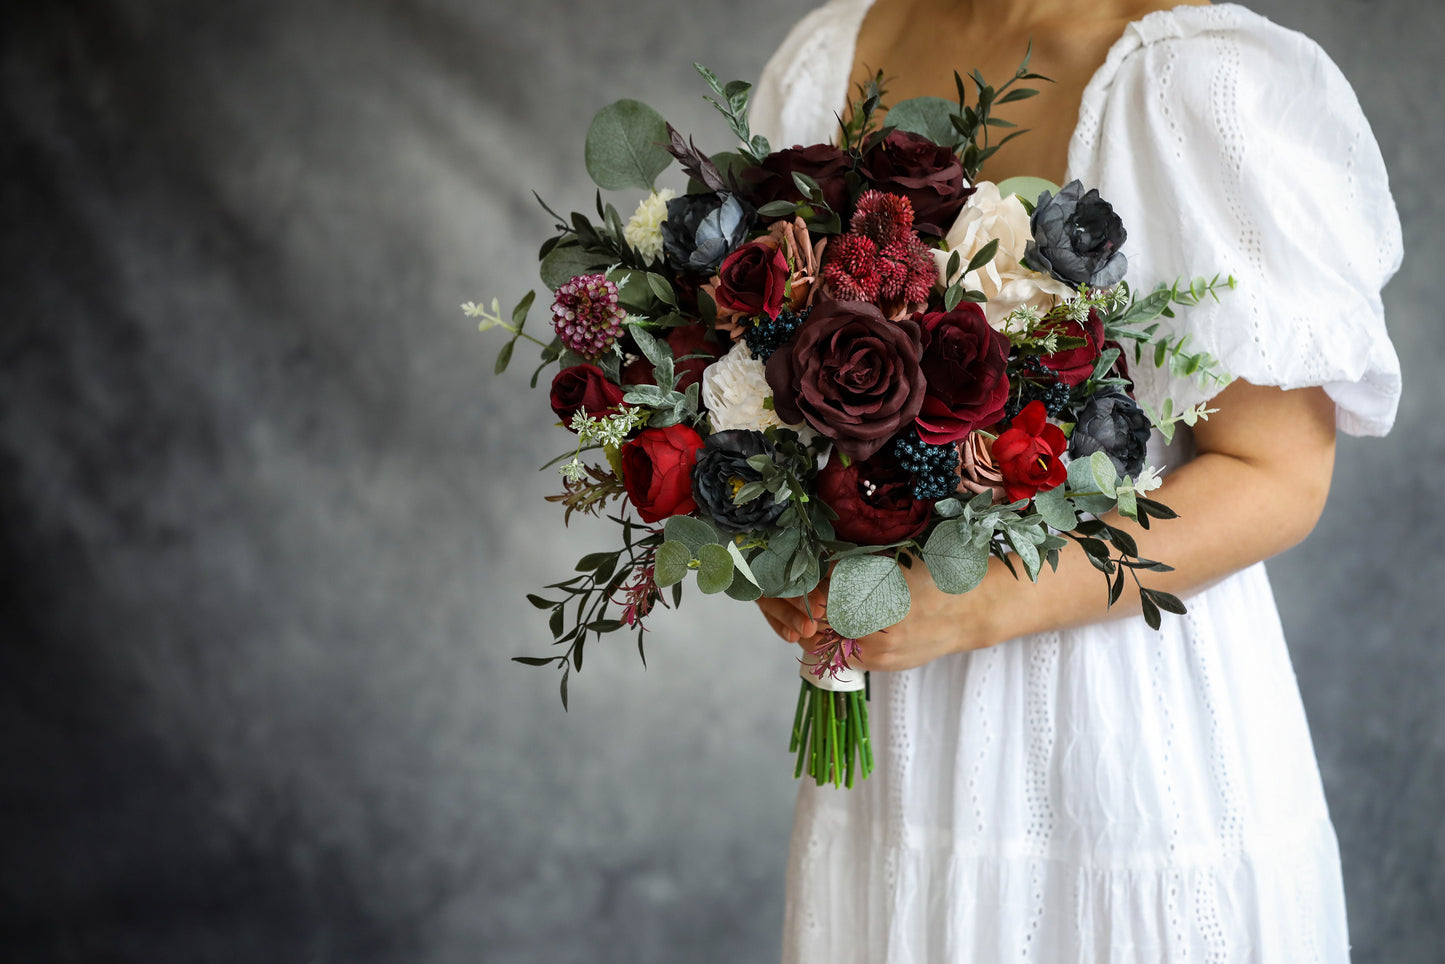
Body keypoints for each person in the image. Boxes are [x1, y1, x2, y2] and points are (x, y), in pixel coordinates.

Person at [748, 0, 1403, 960]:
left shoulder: (1194, 82)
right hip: (898, 740)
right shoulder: (827, 56)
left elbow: (1276, 477)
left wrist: (975, 604)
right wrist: (783, 546)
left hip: (1131, 736)